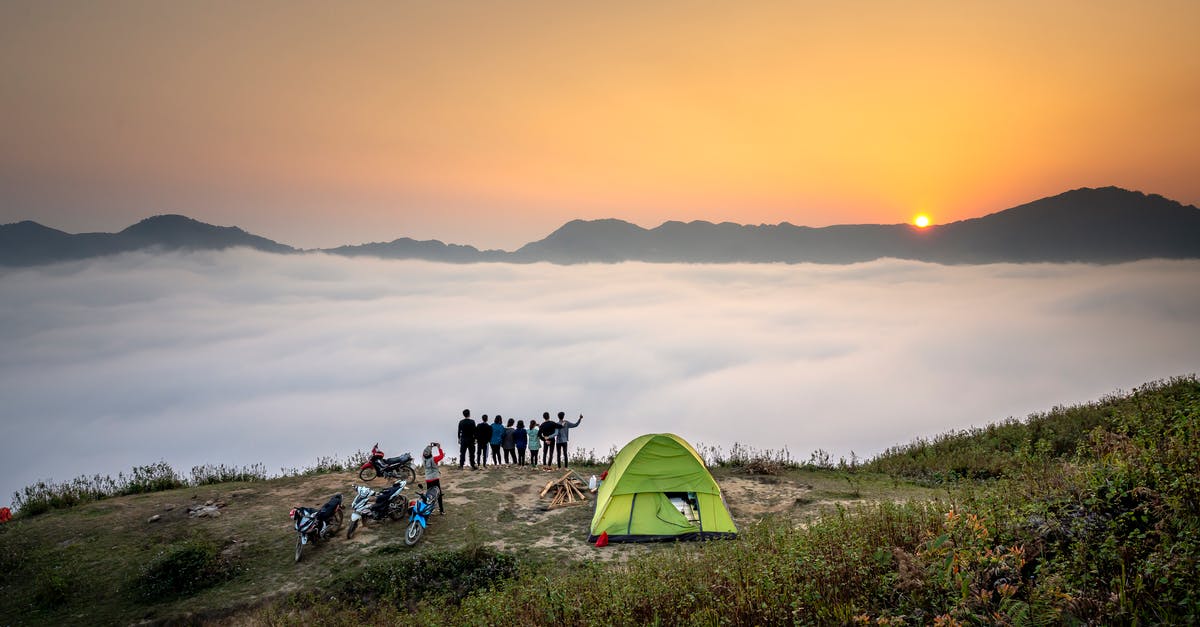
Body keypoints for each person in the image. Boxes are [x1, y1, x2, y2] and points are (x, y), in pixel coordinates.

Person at [422, 442, 445, 515]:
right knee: (438, 494)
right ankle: (441, 510)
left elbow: (425, 453)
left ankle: (428, 510)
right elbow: (441, 456)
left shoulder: (424, 459)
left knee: (429, 495)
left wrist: (429, 447)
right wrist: (438, 447)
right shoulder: (434, 459)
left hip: (428, 479)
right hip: (435, 479)